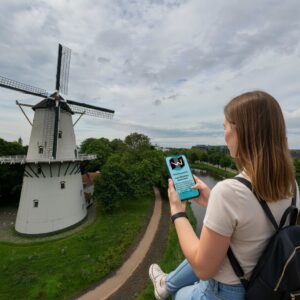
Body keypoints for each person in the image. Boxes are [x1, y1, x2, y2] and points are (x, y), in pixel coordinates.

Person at [149, 91, 300, 300]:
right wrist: (213, 200)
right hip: (270, 284)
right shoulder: (292, 186)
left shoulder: (228, 191)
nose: (224, 135)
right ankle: (165, 283)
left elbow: (203, 268)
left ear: (241, 132)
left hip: (227, 293)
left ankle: (166, 286)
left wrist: (177, 211)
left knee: (181, 294)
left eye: (225, 127)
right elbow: (254, 223)